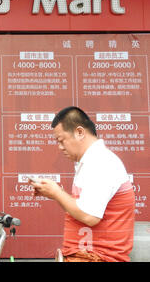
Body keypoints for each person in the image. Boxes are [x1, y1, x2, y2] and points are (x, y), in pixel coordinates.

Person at [30, 106, 135, 262]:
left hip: (97, 257)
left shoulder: (100, 162)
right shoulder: (92, 161)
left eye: (61, 140)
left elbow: (89, 216)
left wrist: (57, 193)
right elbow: (84, 208)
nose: (59, 147)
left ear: (79, 132)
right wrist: (54, 193)